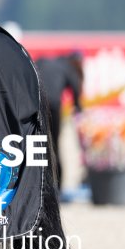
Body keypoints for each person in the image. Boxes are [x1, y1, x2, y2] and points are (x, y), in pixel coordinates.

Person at [35, 53, 83, 188]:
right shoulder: (66, 67)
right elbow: (75, 87)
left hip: (37, 105)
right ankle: (57, 186)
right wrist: (78, 107)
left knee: (38, 144)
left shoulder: (42, 62)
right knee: (54, 146)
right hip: (54, 107)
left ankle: (38, 184)